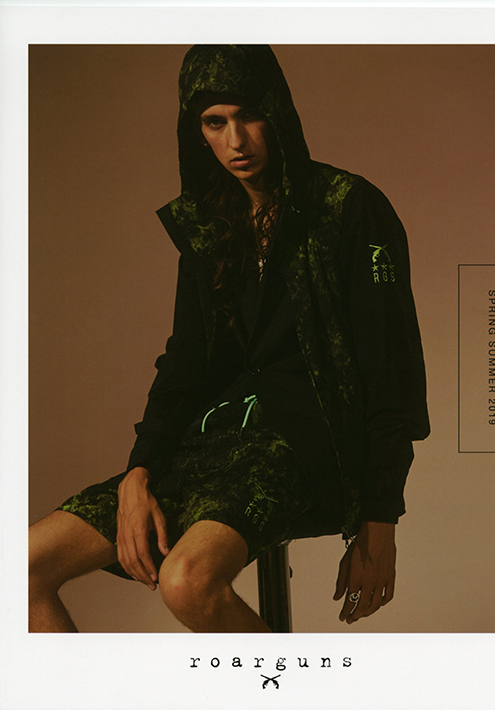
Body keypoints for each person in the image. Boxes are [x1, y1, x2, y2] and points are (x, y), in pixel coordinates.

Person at [29, 45, 429, 633]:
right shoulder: (208, 224)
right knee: (23, 566)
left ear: (278, 112)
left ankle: (281, 683)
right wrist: (139, 473)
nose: (236, 140)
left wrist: (380, 519)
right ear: (197, 131)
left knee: (186, 581)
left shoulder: (348, 207)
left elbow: (390, 370)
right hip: (217, 438)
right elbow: (185, 360)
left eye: (249, 115)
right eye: (214, 122)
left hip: (312, 445)